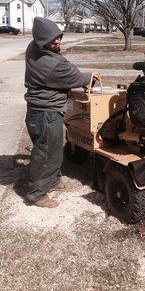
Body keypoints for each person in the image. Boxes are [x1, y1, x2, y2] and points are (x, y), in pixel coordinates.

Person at [24, 17, 92, 208]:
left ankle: (52, 181)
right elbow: (78, 77)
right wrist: (91, 77)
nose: (57, 41)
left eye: (58, 37)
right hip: (46, 113)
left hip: (38, 111)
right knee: (45, 153)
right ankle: (36, 194)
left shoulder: (33, 48)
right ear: (41, 41)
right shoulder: (52, 65)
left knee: (52, 151)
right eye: (52, 39)